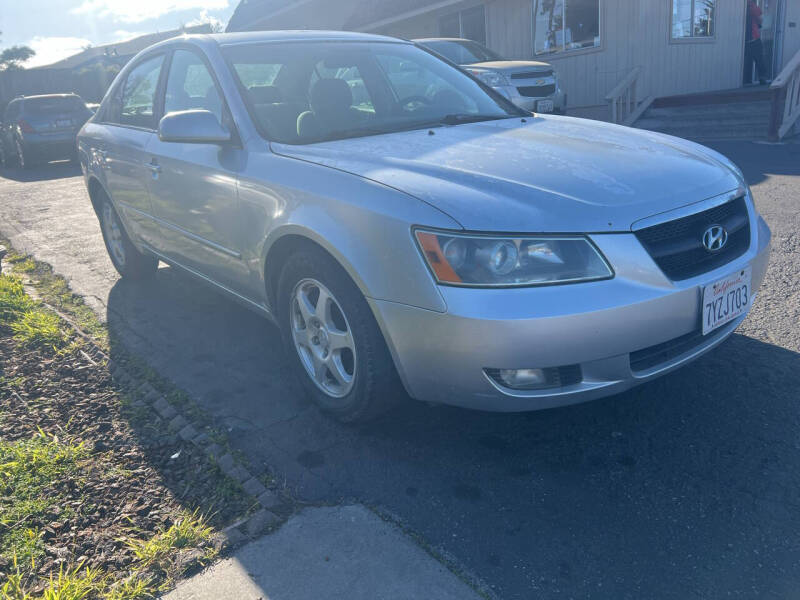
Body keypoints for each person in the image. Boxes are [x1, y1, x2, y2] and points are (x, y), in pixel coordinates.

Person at [744, 0, 767, 85]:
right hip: (754, 39)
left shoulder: (747, 7)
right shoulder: (753, 6)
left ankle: (747, 80)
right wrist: (759, 25)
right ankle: (762, 79)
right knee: (759, 59)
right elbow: (761, 19)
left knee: (747, 61)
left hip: (745, 41)